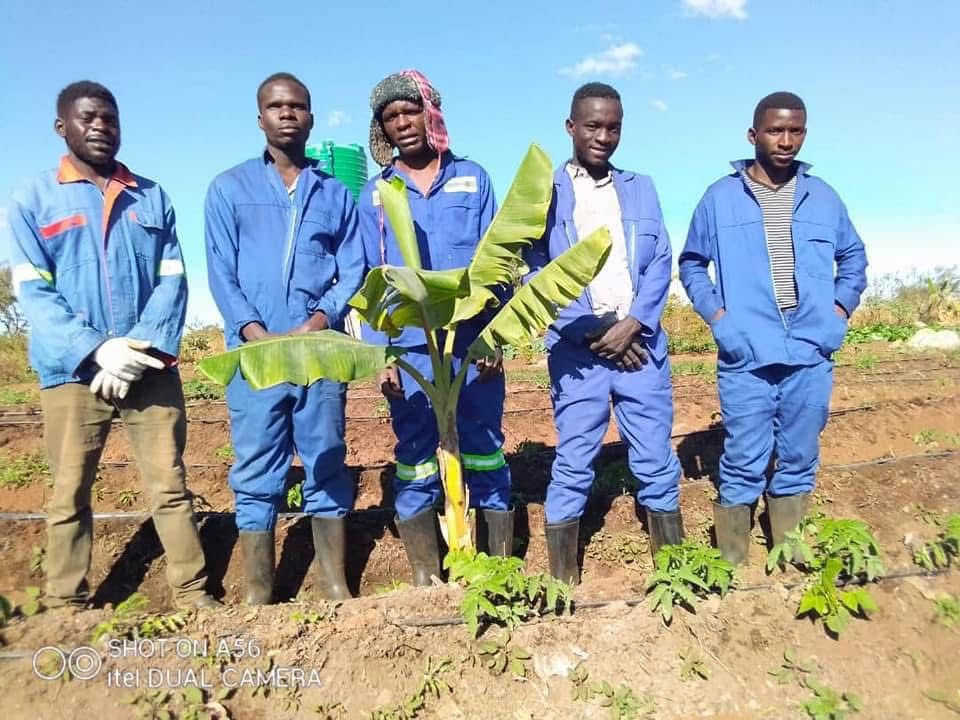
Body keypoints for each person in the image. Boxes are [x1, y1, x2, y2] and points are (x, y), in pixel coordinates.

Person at [7, 81, 218, 609]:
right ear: (62, 127)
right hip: (73, 372)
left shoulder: (151, 196)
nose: (101, 126)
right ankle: (65, 605)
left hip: (148, 368)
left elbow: (173, 280)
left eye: (110, 118)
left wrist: (137, 350)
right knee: (69, 490)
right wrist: (98, 349)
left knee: (170, 484)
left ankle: (193, 592)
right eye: (88, 118)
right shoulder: (35, 199)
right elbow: (35, 292)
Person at [679, 91, 868, 564]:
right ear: (753, 135)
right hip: (746, 351)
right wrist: (719, 319)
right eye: (775, 131)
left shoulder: (823, 197)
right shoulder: (720, 198)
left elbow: (853, 258)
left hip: (810, 349)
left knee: (800, 455)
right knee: (744, 455)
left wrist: (838, 311)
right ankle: (732, 564)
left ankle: (790, 551)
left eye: (795, 131)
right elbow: (692, 264)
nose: (786, 141)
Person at [205, 72, 364, 603]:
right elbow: (221, 272)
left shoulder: (334, 193)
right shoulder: (229, 188)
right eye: (276, 106)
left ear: (311, 118)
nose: (287, 113)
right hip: (256, 356)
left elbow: (353, 267)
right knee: (256, 466)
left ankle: (334, 583)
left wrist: (319, 320)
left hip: (318, 352)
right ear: (261, 119)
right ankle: (258, 590)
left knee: (327, 458)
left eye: (297, 105)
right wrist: (255, 331)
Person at [525, 82, 683, 585]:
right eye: (593, 126)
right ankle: (562, 581)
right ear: (571, 127)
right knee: (574, 458)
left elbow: (659, 260)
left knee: (655, 456)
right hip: (579, 351)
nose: (603, 136)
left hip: (640, 347)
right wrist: (591, 330)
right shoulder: (544, 192)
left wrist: (633, 323)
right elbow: (535, 270)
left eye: (613, 127)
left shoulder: (642, 187)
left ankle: (675, 570)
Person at [358, 70, 513, 585]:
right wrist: (380, 351)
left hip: (471, 343)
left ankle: (493, 567)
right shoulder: (376, 193)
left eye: (411, 111)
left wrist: (494, 335)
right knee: (415, 456)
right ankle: (427, 578)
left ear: (432, 116)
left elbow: (498, 262)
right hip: (409, 349)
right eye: (391, 117)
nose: (403, 123)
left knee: (485, 445)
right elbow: (369, 277)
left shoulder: (473, 178)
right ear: (382, 128)